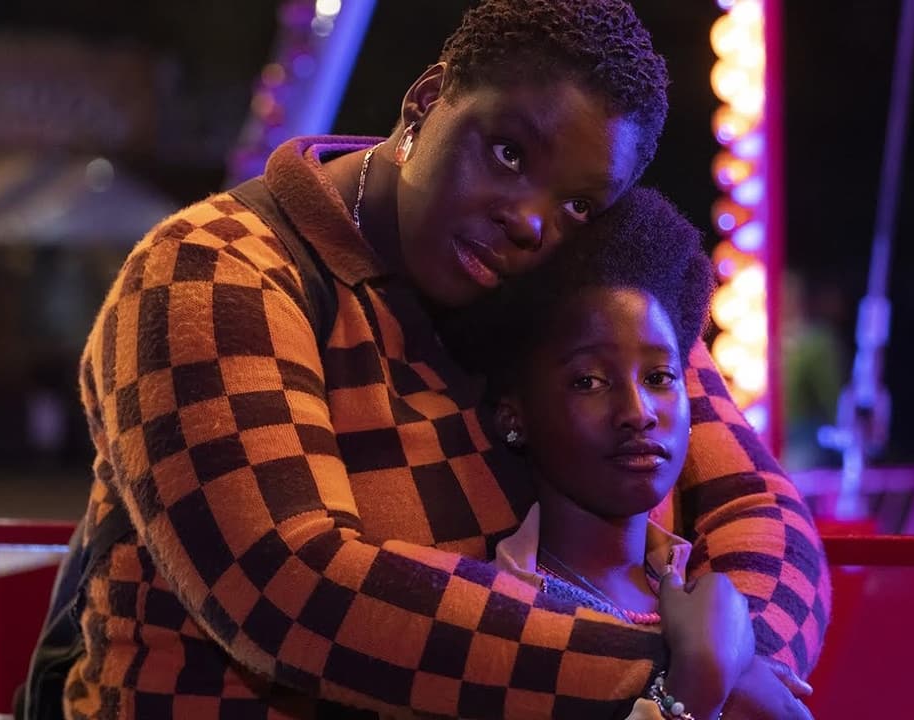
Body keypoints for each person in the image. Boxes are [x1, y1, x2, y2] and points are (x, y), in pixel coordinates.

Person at [67, 1, 830, 717]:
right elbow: (289, 587)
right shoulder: (217, 270)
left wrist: (740, 656)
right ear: (425, 102)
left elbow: (761, 508)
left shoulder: (588, 285)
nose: (529, 220)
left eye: (578, 205)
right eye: (508, 152)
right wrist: (666, 671)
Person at [439, 187, 814, 719]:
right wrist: (697, 680)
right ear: (514, 415)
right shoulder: (503, 617)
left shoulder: (702, 593)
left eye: (659, 377)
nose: (638, 412)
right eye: (589, 381)